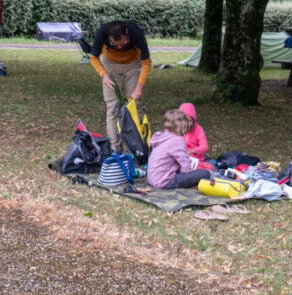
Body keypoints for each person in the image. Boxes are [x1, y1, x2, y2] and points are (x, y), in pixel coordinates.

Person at [88, 20, 152, 151]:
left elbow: (146, 62)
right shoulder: (102, 33)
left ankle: (138, 146)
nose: (119, 47)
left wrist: (139, 87)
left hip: (133, 63)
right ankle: (115, 147)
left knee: (135, 103)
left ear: (126, 33)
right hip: (110, 64)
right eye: (114, 44)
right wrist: (104, 75)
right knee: (113, 106)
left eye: (122, 43)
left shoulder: (136, 33)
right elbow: (93, 57)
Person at [147, 109, 211, 189]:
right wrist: (188, 177)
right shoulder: (177, 140)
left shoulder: (159, 135)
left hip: (152, 179)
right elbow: (185, 167)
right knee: (205, 173)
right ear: (182, 125)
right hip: (165, 181)